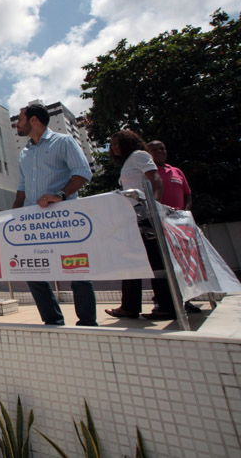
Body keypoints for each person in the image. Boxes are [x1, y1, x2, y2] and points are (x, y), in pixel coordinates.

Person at [12, 104, 98, 326]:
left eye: (19, 119)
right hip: (33, 223)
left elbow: (83, 172)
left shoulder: (64, 142)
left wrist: (60, 194)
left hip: (64, 220)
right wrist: (12, 218)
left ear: (33, 120)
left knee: (77, 271)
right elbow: (22, 188)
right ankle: (53, 320)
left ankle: (88, 322)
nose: (16, 124)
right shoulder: (24, 154)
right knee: (32, 272)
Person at [104, 130, 176, 321]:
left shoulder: (139, 155)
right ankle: (129, 306)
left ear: (129, 143)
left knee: (155, 261)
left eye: (117, 143)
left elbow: (155, 178)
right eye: (112, 145)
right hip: (133, 217)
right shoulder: (128, 162)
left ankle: (167, 306)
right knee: (132, 260)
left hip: (146, 215)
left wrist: (155, 205)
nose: (114, 148)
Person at [148, 139, 201, 314]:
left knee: (182, 264)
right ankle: (161, 301)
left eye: (161, 148)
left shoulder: (176, 171)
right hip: (158, 224)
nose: (159, 152)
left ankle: (186, 300)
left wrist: (185, 213)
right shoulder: (148, 171)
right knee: (160, 264)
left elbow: (188, 195)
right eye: (154, 150)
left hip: (179, 224)